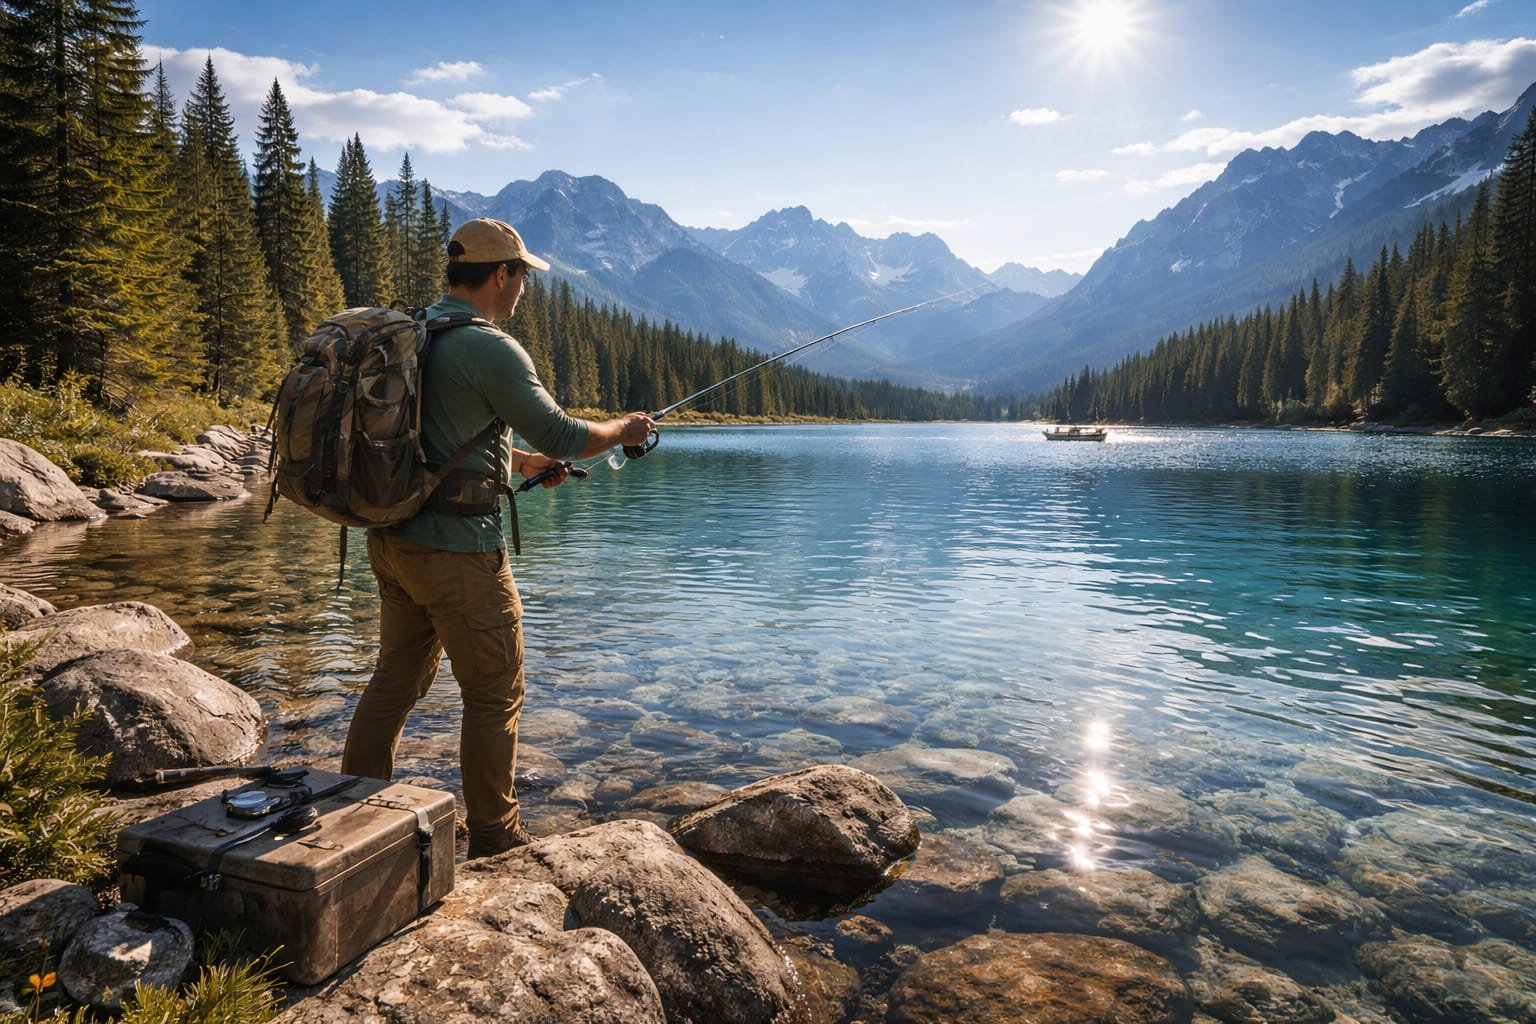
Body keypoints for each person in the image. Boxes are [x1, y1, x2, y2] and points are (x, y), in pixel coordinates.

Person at [340, 217, 655, 858]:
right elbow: (566, 434)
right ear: (502, 274)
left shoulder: (417, 330)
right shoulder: (489, 346)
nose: (524, 292)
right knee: (495, 692)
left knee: (394, 681)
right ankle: (496, 835)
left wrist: (519, 464)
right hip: (459, 554)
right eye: (522, 278)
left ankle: (351, 806)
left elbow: (430, 442)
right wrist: (624, 428)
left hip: (394, 543)